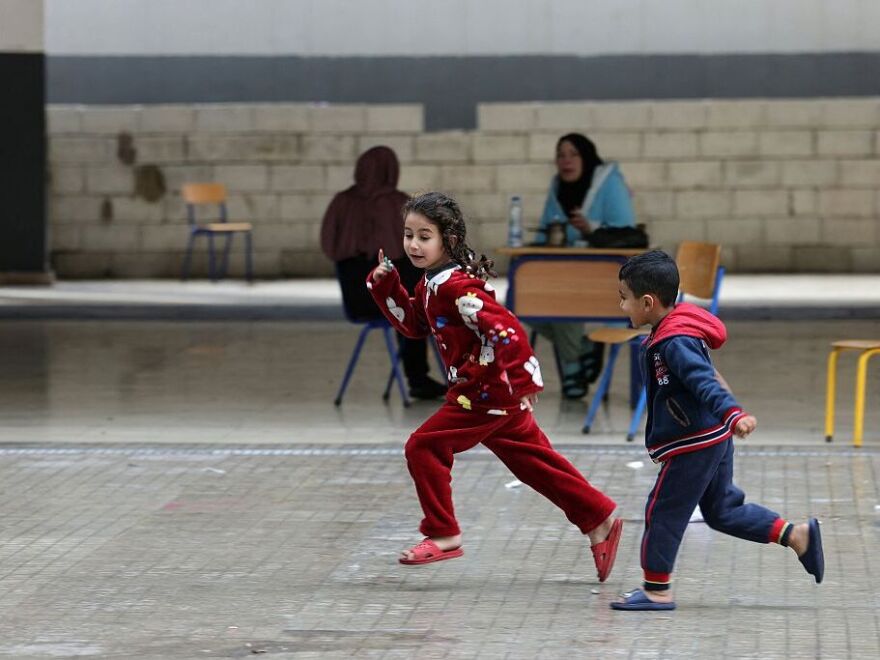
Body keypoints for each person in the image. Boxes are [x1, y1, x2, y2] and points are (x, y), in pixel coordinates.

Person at [367, 191, 623, 580]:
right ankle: (598, 518)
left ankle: (443, 533)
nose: (414, 244)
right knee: (535, 464)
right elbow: (415, 327)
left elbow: (506, 328)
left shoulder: (457, 288)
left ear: (448, 240)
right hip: (493, 394)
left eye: (424, 236)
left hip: (484, 393)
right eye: (408, 235)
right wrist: (386, 287)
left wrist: (523, 379)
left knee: (424, 446)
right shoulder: (430, 284)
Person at [611, 251, 824, 611]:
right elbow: (708, 376)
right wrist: (729, 415)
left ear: (647, 302)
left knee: (662, 511)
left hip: (693, 443)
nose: (621, 307)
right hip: (712, 437)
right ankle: (797, 535)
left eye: (623, 298)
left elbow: (702, 380)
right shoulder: (674, 329)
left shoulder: (674, 341)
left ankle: (656, 590)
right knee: (722, 510)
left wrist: (732, 412)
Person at [320, 146, 445, 400]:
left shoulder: (341, 202)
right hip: (394, 303)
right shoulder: (400, 204)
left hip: (357, 301)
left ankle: (418, 377)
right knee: (417, 307)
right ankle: (418, 378)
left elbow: (328, 245)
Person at [530, 133, 636, 399]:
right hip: (565, 275)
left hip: (608, 277)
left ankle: (572, 367)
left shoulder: (609, 183)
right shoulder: (557, 187)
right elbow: (545, 231)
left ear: (586, 157)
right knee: (521, 302)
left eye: (573, 154)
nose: (566, 161)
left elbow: (628, 232)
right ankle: (582, 349)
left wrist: (591, 230)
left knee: (565, 301)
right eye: (561, 155)